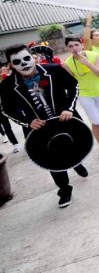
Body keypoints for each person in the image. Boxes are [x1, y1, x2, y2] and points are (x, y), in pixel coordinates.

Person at [0, 44, 89, 208]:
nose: (24, 64)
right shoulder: (7, 85)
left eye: (27, 58)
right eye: (17, 61)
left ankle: (76, 163)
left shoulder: (54, 70)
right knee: (52, 159)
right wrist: (27, 121)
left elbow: (74, 86)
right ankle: (64, 189)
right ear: (11, 65)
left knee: (71, 147)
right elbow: (6, 109)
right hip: (39, 129)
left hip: (65, 120)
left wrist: (68, 108)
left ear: (33, 57)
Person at [62, 35, 99, 159]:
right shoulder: (67, 64)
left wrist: (88, 63)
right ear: (67, 48)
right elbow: (71, 84)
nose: (74, 48)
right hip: (84, 95)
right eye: (70, 46)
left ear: (82, 45)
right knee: (95, 122)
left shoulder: (93, 55)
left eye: (76, 45)